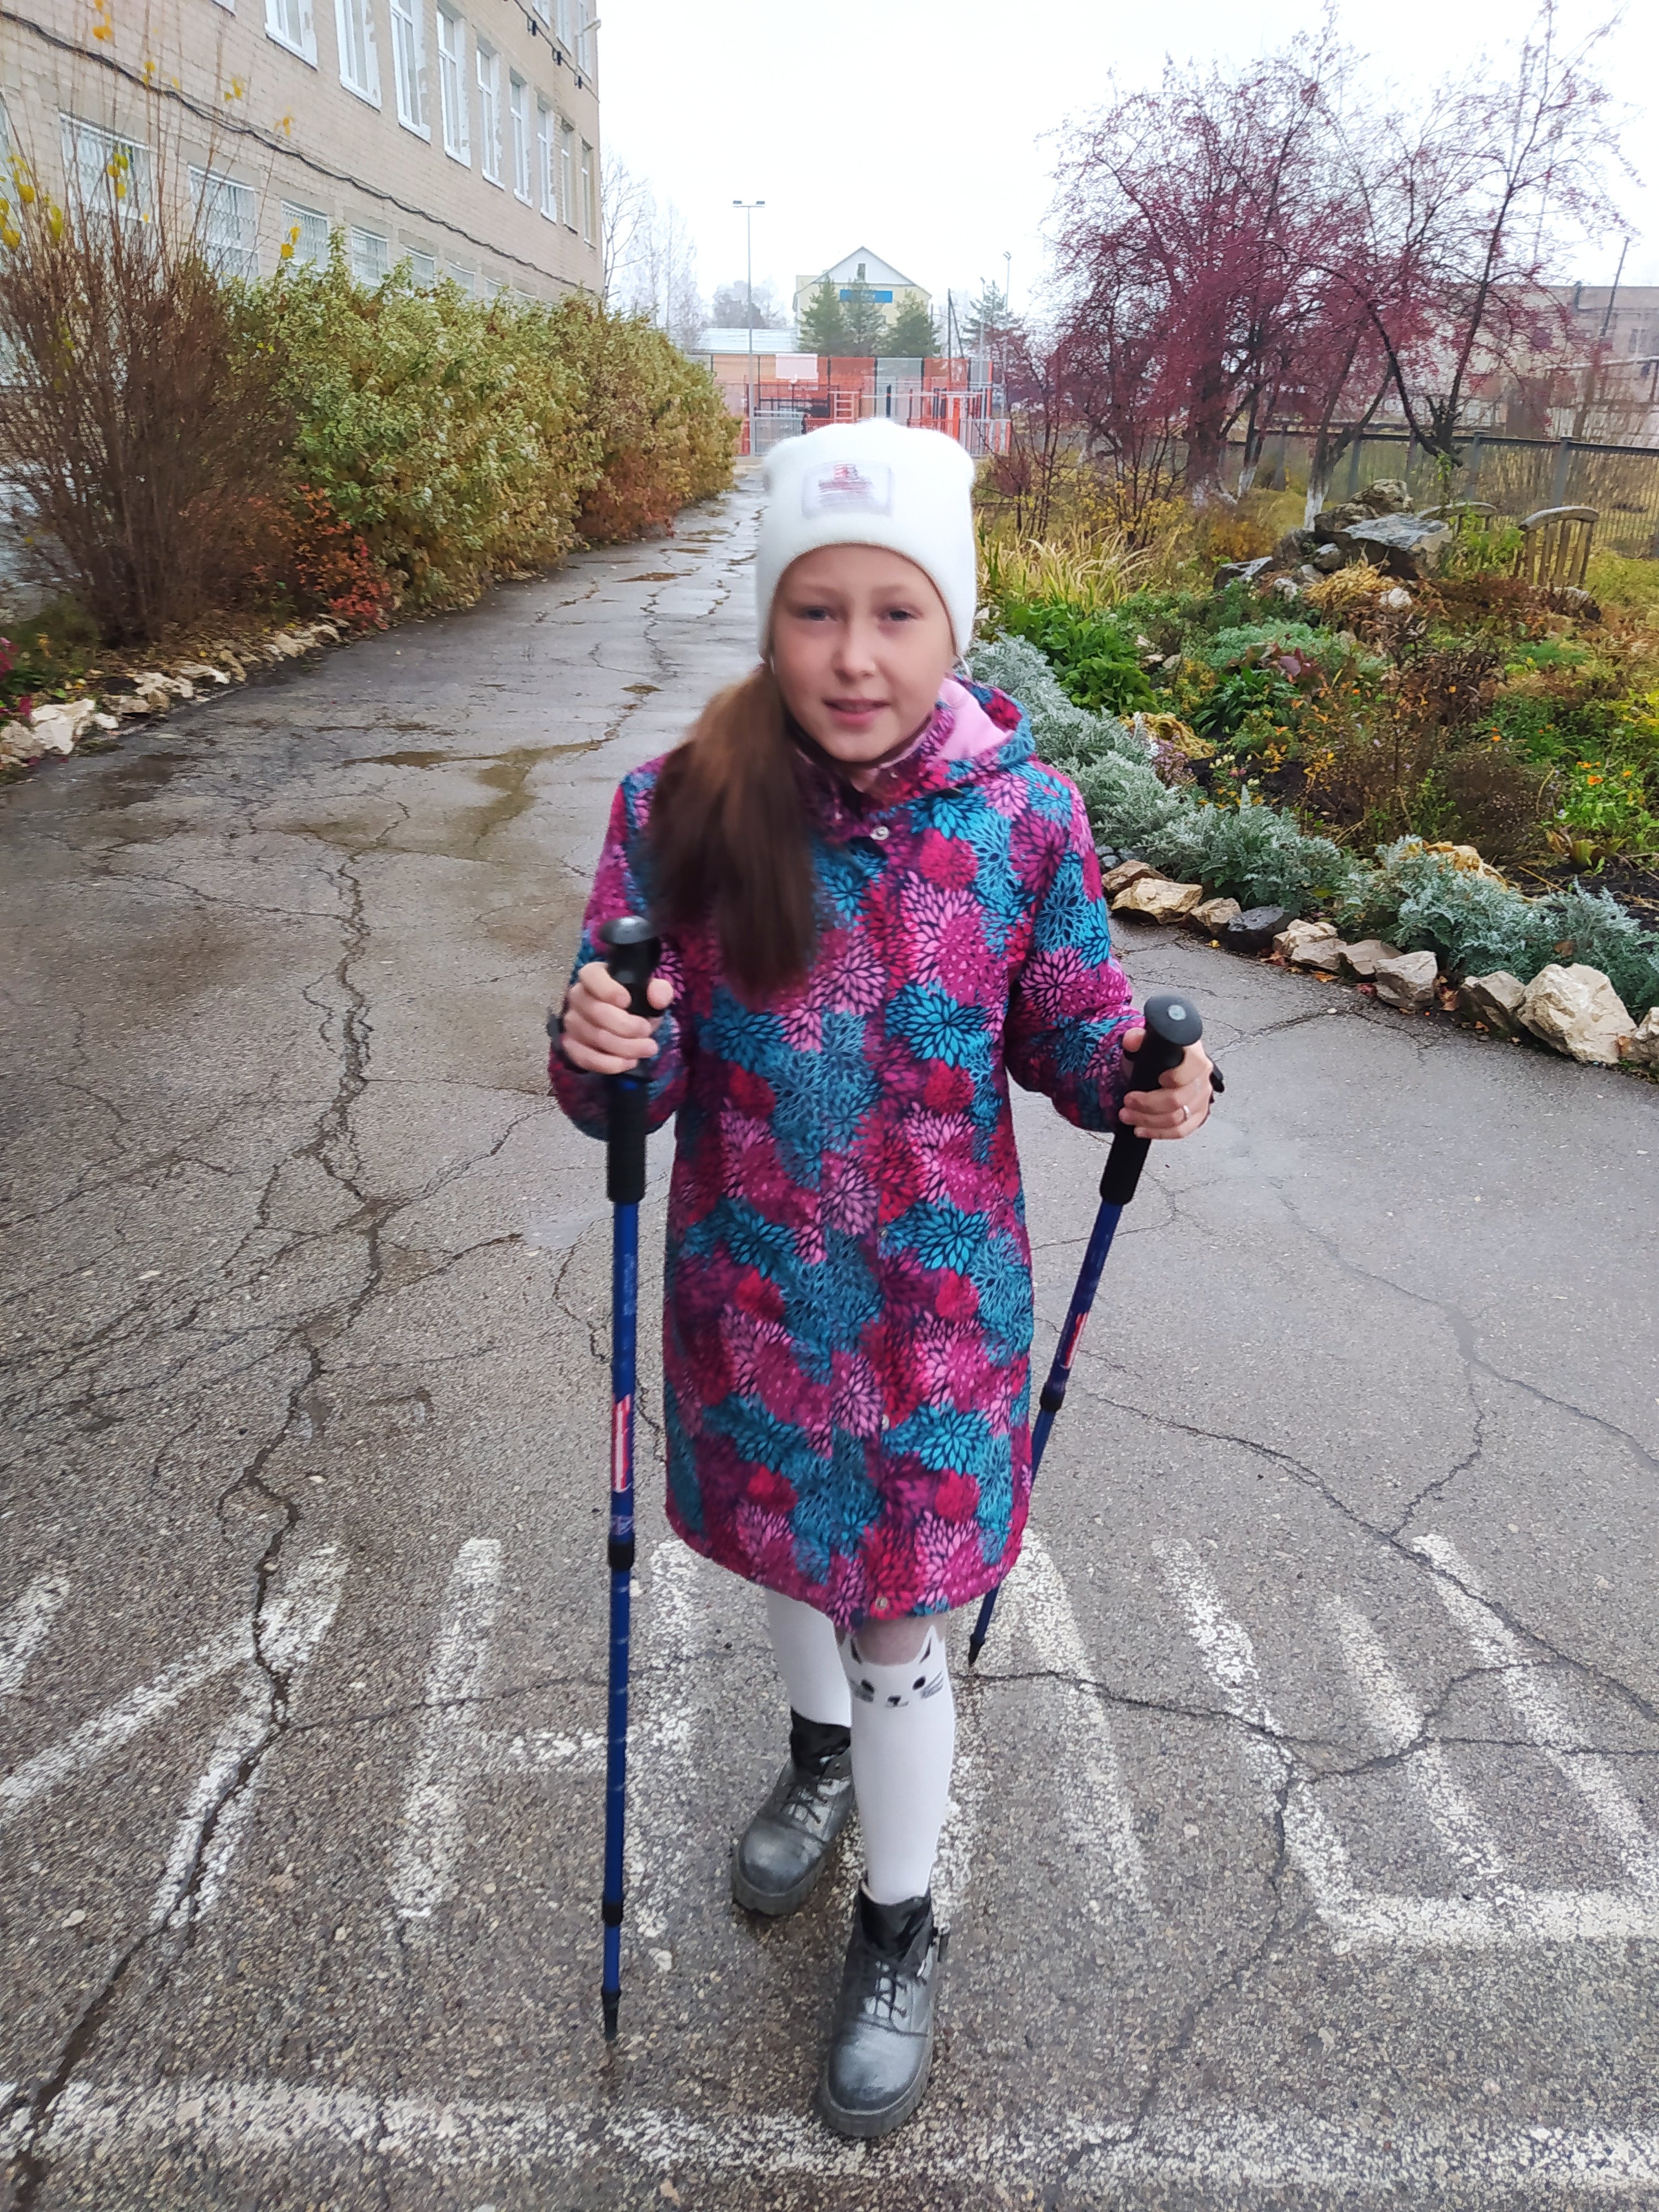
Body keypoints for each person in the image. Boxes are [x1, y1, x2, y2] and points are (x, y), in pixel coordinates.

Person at [549, 418, 1212, 2138]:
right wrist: (606, 1042)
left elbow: (1069, 1029)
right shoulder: (677, 811)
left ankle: (899, 1924)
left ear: (953, 625)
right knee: (787, 1547)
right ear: (771, 619)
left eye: (896, 613)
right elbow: (630, 1072)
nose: (855, 656)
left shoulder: (1026, 820)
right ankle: (818, 1752)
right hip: (756, 1297)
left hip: (937, 1324)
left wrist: (1140, 1074)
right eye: (816, 610)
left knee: (898, 1610)